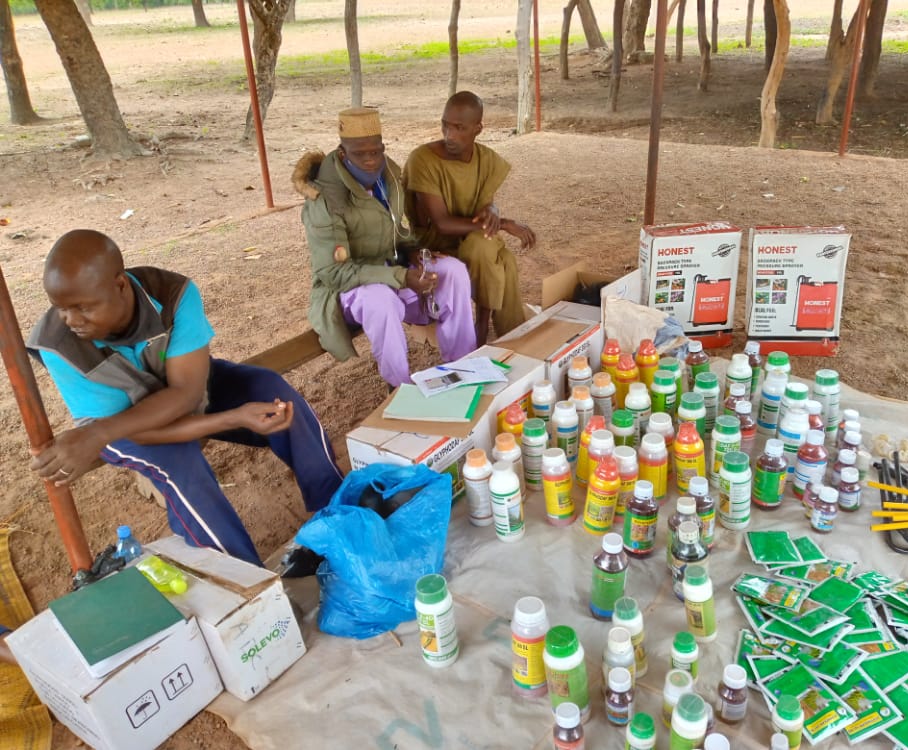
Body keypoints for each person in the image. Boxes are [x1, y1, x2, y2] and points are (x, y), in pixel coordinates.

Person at [26, 230, 344, 567]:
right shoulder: (58, 345)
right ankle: (247, 585)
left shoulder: (173, 295)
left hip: (181, 394)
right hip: (117, 425)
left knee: (269, 388)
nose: (71, 321)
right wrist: (98, 434)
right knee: (180, 463)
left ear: (120, 285)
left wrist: (234, 415)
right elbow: (135, 432)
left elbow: (187, 393)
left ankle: (339, 511)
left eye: (83, 308)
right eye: (61, 309)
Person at [293, 107, 477, 387]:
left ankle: (463, 369)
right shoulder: (325, 199)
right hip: (348, 291)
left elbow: (400, 233)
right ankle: (400, 386)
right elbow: (333, 272)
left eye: (376, 151)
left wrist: (414, 252)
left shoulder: (388, 174)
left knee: (453, 271)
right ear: (343, 154)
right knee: (381, 300)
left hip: (393, 269)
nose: (370, 161)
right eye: (360, 154)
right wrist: (401, 277)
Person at [404, 91, 536, 346]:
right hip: (435, 246)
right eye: (445, 125)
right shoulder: (423, 159)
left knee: (493, 251)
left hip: (472, 241)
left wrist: (494, 213)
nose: (449, 135)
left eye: (459, 128)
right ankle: (492, 330)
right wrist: (505, 223)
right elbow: (442, 223)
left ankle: (496, 329)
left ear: (478, 129)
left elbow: (485, 206)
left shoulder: (486, 160)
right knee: (493, 252)